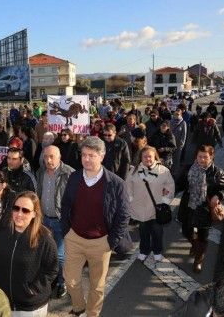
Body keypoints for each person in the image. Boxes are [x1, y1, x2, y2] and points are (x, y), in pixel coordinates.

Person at [60, 136, 131, 317]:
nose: (86, 159)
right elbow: (66, 204)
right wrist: (66, 231)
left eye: (91, 155)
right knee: (71, 281)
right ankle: (79, 307)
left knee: (97, 286)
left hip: (101, 242)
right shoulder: (75, 177)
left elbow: (123, 216)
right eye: (84, 155)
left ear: (102, 156)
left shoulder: (116, 184)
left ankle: (92, 314)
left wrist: (111, 242)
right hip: (74, 238)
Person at [0, 191, 58, 316]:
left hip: (30, 307)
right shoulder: (3, 231)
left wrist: (32, 289)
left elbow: (52, 269)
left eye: (25, 210)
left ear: (34, 214)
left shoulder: (44, 239)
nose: (19, 214)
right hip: (4, 302)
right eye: (16, 208)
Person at [177, 145, 224, 273]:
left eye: (205, 157)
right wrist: (168, 190)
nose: (202, 160)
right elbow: (179, 184)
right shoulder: (188, 168)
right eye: (199, 156)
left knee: (203, 236)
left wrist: (218, 195)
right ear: (196, 156)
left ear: (211, 157)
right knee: (186, 231)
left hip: (205, 210)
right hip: (189, 206)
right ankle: (195, 245)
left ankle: (198, 260)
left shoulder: (217, 173)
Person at [36, 145, 75, 298]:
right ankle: (49, 280)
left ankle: (61, 282)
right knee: (45, 253)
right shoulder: (40, 173)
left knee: (60, 255)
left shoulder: (69, 173)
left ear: (59, 157)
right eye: (46, 157)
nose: (48, 160)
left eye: (52, 156)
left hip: (60, 221)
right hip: (44, 220)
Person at [125, 146, 174, 262]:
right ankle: (144, 251)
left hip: (157, 208)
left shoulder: (163, 171)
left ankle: (157, 251)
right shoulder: (134, 170)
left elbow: (170, 186)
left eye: (150, 156)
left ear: (154, 157)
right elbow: (128, 185)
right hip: (141, 208)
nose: (148, 159)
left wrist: (165, 200)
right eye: (145, 156)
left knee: (157, 231)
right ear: (140, 157)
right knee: (143, 232)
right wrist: (131, 199)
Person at [170, 109, 187, 178]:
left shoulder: (183, 123)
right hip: (171, 144)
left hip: (178, 144)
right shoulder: (171, 122)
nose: (176, 115)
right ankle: (169, 171)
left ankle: (175, 172)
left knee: (177, 159)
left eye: (178, 114)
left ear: (180, 115)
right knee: (170, 158)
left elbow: (184, 134)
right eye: (175, 114)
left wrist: (182, 144)